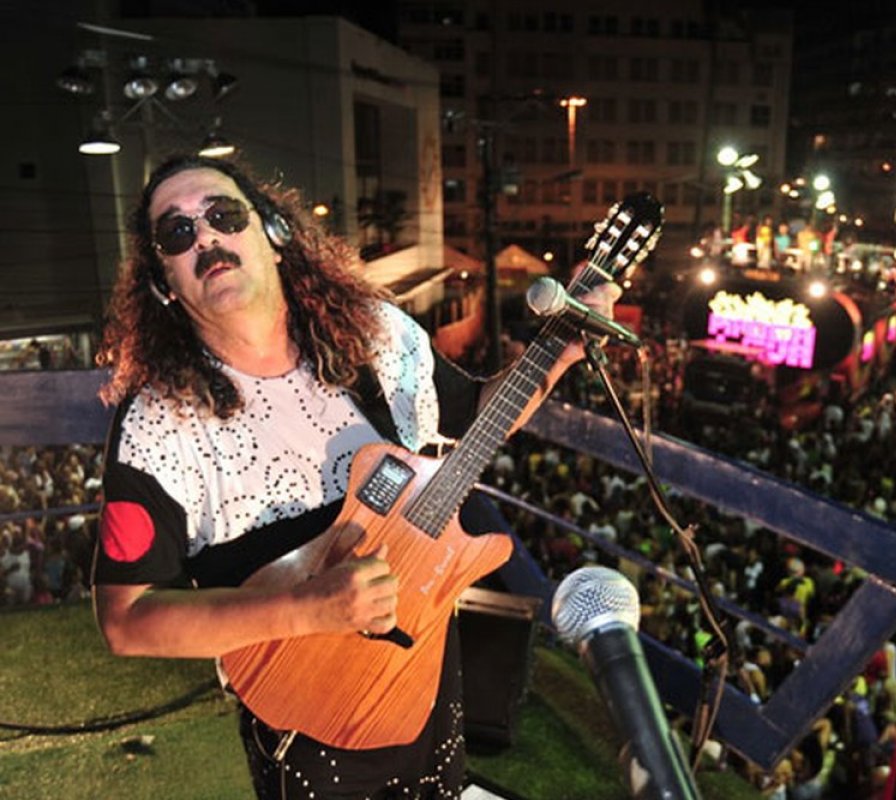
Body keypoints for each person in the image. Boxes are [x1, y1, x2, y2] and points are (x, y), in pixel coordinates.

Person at [90, 154, 620, 799]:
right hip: (307, 718)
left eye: (224, 215)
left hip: (424, 662)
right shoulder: (158, 424)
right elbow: (127, 620)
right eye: (176, 234)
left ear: (275, 236)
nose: (205, 237)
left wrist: (558, 351)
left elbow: (475, 414)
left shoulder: (377, 336)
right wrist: (307, 607)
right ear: (164, 282)